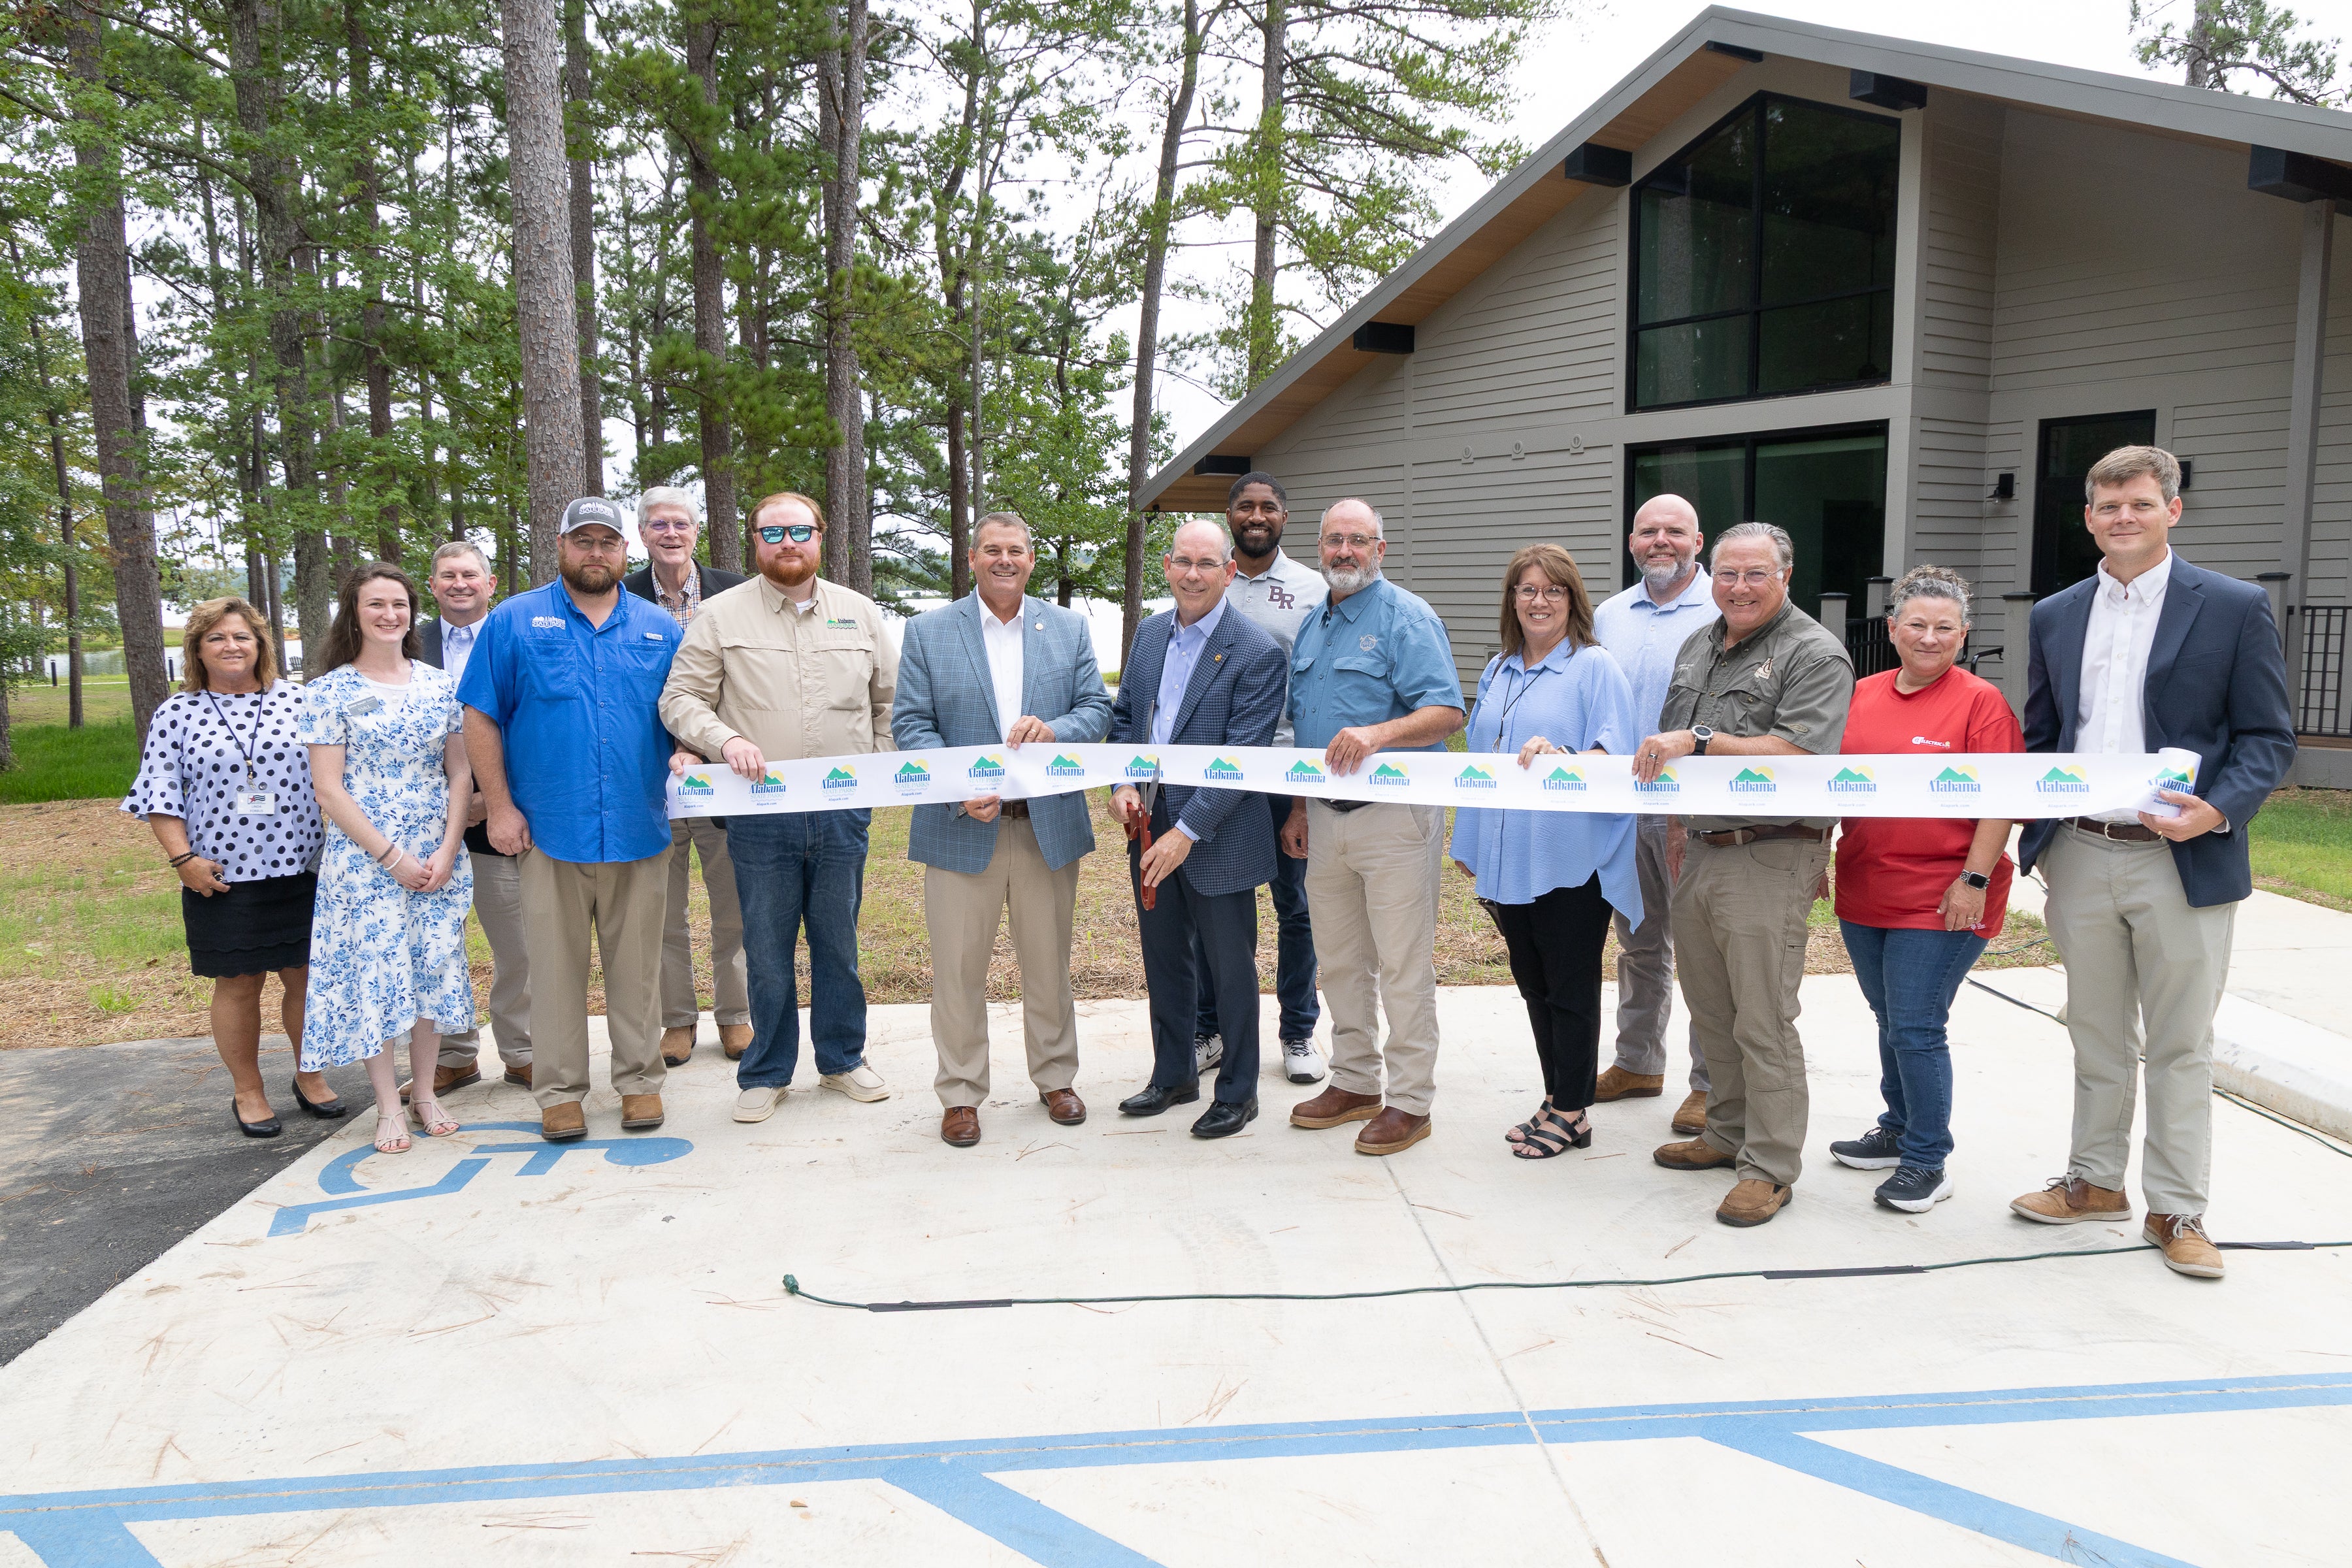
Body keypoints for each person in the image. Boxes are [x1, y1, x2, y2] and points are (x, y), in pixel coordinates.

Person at [2008, 445, 2295, 1279]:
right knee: (2095, 1032)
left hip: (2182, 858)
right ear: (2089, 518)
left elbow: (2268, 737)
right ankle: (2094, 1182)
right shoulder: (2057, 613)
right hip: (2082, 853)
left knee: (2180, 1043)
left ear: (2173, 508)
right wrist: (2033, 826)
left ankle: (2178, 1209)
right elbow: (2042, 733)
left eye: (2138, 503)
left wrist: (2220, 809)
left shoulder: (2234, 607)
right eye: (2106, 507)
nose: (2122, 518)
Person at [1638, 521, 1855, 1228]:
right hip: (1700, 849)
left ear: (1785, 577)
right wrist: (1676, 829)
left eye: (1755, 574)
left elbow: (1797, 752)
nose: (1738, 587)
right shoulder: (1699, 643)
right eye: (1727, 574)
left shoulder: (1814, 653)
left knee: (1763, 1017)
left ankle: (1770, 1165)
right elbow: (1673, 753)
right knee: (1714, 1009)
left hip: (1771, 852)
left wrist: (1701, 740)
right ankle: (1725, 1134)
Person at [661, 491, 898, 1124]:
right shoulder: (719, 616)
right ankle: (765, 1072)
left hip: (844, 811)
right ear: (754, 544)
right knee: (764, 950)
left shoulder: (860, 613)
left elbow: (891, 704)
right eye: (773, 533)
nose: (787, 543)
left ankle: (843, 1060)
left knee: (838, 944)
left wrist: (874, 768)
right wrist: (724, 741)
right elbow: (681, 699)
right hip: (757, 815)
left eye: (799, 530)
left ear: (821, 536)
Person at [460, 497, 685, 1143]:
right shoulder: (512, 622)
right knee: (553, 971)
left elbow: (684, 714)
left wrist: (692, 756)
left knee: (637, 967)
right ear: (560, 548)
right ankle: (559, 1093)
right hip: (548, 832)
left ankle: (640, 1084)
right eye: (582, 541)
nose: (595, 553)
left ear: (626, 552)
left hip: (639, 828)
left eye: (607, 543)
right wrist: (498, 807)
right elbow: (480, 715)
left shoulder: (658, 628)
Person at [892, 511, 1115, 1147]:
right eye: (992, 550)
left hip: (1045, 827)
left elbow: (1095, 710)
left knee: (1049, 964)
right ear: (971, 558)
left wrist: (1056, 730)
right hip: (962, 826)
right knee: (958, 970)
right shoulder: (931, 632)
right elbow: (911, 725)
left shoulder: (1068, 628)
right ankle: (961, 1094)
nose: (1004, 560)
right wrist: (960, 788)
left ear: (1032, 559)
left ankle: (1055, 1078)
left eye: (1016, 550)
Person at [1827, 566, 2023, 1214]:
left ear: (1963, 636)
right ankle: (1898, 1126)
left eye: (1945, 628)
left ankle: (1927, 1159)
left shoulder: (1980, 703)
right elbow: (1827, 782)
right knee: (1891, 1019)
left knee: (1916, 1024)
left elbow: (2001, 797)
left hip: (1944, 894)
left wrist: (1972, 878)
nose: (1930, 638)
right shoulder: (1861, 693)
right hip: (1866, 888)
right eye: (1918, 625)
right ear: (1893, 630)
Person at [1283, 498, 1465, 1156]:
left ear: (1380, 550)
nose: (1345, 552)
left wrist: (1379, 734)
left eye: (1358, 541)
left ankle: (1411, 1101)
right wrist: (1301, 808)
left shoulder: (1406, 617)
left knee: (1401, 963)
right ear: (1321, 547)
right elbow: (1306, 725)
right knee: (1338, 959)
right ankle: (1356, 1081)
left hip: (1395, 819)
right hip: (1327, 821)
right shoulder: (1313, 625)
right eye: (1334, 540)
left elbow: (1446, 709)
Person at [1451, 544, 1644, 1160]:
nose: (1539, 601)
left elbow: (1618, 757)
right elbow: (1481, 762)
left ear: (1572, 600)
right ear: (1513, 600)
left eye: (1552, 591)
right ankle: (1559, 1096)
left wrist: (1569, 760)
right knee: (1533, 984)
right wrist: (1471, 838)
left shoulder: (1595, 668)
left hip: (1569, 857)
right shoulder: (1499, 670)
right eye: (1527, 590)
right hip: (1508, 856)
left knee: (1570, 985)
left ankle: (1571, 1108)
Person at [122, 598, 333, 1138]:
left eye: (242, 636)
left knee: (305, 980)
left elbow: (334, 776)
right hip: (221, 874)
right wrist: (182, 860)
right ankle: (249, 1091)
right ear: (197, 650)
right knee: (239, 983)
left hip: (304, 868)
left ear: (261, 644)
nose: (231, 646)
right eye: (216, 638)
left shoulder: (298, 700)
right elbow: (159, 794)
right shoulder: (177, 712)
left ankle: (309, 1077)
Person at [1108, 518, 1288, 1137]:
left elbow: (1241, 761)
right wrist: (1122, 785)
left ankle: (1239, 1091)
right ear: (1166, 567)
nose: (1193, 574)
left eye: (1207, 563)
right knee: (1164, 957)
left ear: (1228, 571)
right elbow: (1128, 718)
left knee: (1230, 965)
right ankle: (1175, 1074)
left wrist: (1186, 831)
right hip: (1147, 821)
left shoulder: (1258, 652)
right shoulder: (1150, 635)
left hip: (1219, 832)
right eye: (1183, 562)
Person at [297, 564, 476, 1156]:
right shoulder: (329, 692)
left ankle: (424, 1093)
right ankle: (387, 1105)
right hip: (367, 859)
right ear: (353, 613)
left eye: (399, 604)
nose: (389, 615)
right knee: (376, 977)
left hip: (437, 853)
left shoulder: (440, 685)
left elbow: (459, 770)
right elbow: (329, 789)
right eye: (376, 604)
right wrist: (392, 856)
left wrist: (448, 849)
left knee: (431, 970)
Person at [1192, 471, 1328, 1085]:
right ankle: (1211, 1026)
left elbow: (1315, 691)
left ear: (1284, 517)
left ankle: (1298, 1032)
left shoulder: (1313, 590)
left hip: (1284, 770)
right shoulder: (1206, 582)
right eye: (1245, 506)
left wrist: (1301, 800)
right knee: (1215, 904)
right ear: (1229, 516)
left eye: (1268, 507)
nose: (1256, 515)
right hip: (1215, 771)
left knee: (1295, 907)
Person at [1591, 494, 1718, 1135]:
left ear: (1699, 540)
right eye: (1648, 531)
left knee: (1700, 949)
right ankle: (1638, 1062)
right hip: (1622, 809)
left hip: (1694, 814)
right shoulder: (1609, 615)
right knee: (1638, 943)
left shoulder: (1727, 610)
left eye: (1674, 531)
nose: (1660, 541)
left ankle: (1710, 1084)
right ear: (1632, 541)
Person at [624, 485, 752, 1068]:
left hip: (726, 775)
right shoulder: (619, 597)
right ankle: (676, 1020)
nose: (670, 534)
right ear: (643, 534)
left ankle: (736, 1016)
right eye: (658, 525)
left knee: (734, 905)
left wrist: (705, 744)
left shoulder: (738, 593)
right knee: (660, 906)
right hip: (650, 781)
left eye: (680, 524)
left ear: (696, 531)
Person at [411, 539, 531, 1099]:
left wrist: (489, 798)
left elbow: (531, 726)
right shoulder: (404, 643)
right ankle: (454, 1056)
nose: (459, 583)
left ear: (490, 585)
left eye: (470, 575)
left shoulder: (516, 637)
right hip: (419, 827)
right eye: (447, 575)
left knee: (517, 943)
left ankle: (524, 1050)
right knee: (437, 945)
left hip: (498, 816)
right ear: (432, 586)